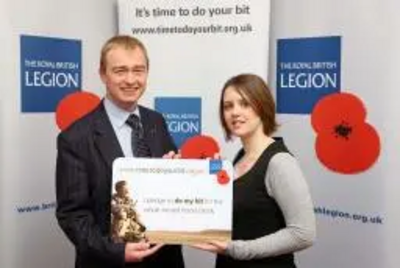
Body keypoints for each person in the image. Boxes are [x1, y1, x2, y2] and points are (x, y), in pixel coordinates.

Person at [55, 35, 184, 268]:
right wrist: (117, 252)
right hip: (111, 262)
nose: (131, 80)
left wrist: (177, 172)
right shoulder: (75, 138)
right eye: (120, 71)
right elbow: (73, 216)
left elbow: (169, 194)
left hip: (164, 260)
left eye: (138, 70)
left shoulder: (156, 121)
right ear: (103, 74)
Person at [194, 74, 316, 267]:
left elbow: (304, 234)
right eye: (228, 106)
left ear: (262, 106)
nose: (235, 112)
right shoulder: (239, 157)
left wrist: (236, 249)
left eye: (245, 104)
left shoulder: (279, 162)